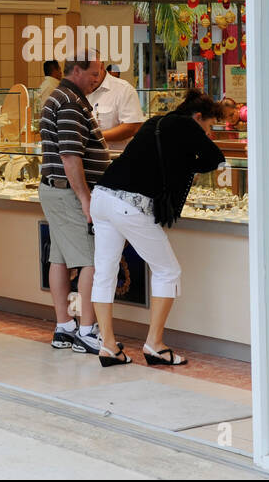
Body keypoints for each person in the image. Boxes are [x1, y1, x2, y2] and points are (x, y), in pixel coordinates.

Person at [88, 89, 226, 367]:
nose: (208, 133)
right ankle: (155, 345)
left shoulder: (156, 122)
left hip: (102, 197)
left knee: (104, 273)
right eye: (209, 126)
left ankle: (108, 346)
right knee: (168, 271)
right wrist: (190, 162)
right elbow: (215, 157)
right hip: (130, 203)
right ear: (198, 116)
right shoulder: (187, 125)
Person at [37, 56, 113, 355]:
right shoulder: (69, 102)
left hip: (56, 190)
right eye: (94, 74)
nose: (98, 79)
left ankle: (64, 326)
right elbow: (70, 156)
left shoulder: (63, 97)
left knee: (59, 258)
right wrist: (85, 198)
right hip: (68, 192)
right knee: (90, 260)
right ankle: (86, 330)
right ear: (76, 70)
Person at [86, 61, 145, 143]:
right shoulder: (79, 88)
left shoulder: (124, 89)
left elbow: (132, 127)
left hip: (115, 154)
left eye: (92, 73)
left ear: (101, 67)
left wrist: (93, 137)